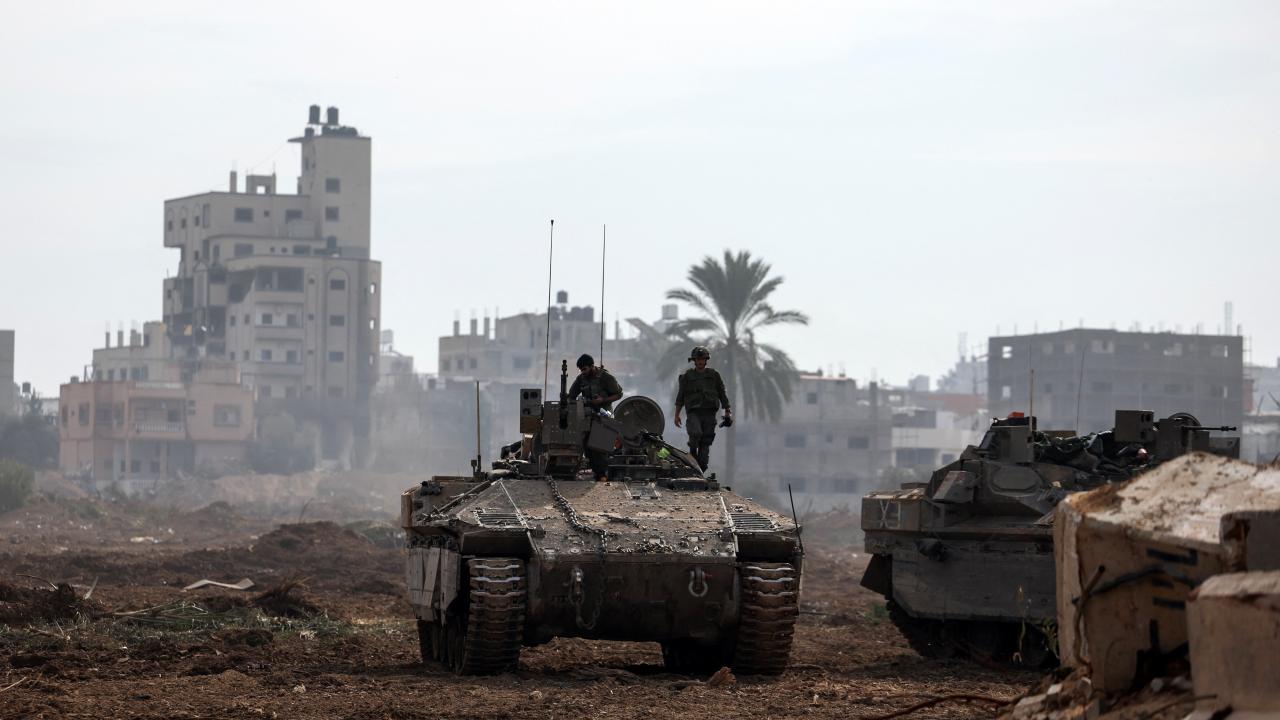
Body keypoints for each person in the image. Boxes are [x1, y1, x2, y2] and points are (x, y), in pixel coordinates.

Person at [673, 346, 732, 471]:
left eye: (702, 359)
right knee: (695, 433)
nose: (700, 362)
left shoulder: (714, 375)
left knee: (705, 448)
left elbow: (722, 393)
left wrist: (727, 411)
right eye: (698, 359)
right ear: (694, 361)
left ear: (706, 360)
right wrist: (677, 414)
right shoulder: (688, 376)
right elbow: (680, 396)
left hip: (709, 414)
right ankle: (692, 450)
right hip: (694, 413)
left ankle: (699, 469)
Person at [567, 353, 623, 479]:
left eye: (585, 369)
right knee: (588, 447)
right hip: (588, 417)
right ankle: (597, 473)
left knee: (600, 448)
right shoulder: (581, 379)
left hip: (604, 416)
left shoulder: (605, 377)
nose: (583, 372)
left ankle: (602, 474)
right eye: (581, 370)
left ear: (592, 366)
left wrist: (603, 400)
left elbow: (619, 394)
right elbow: (571, 395)